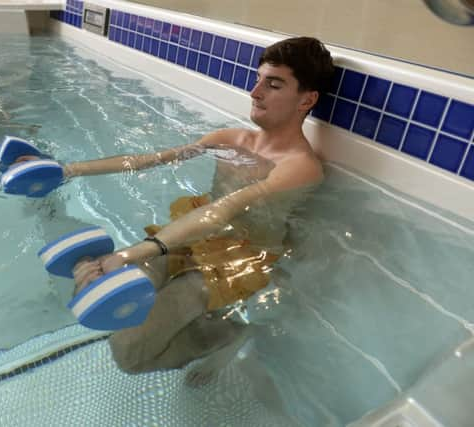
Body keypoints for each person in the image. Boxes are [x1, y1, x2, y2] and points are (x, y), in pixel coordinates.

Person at [19, 37, 335, 383]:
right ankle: (185, 313)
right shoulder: (228, 139)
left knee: (128, 353)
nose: (255, 91)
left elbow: (224, 210)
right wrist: (66, 169)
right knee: (96, 290)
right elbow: (143, 161)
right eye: (258, 79)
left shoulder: (299, 167)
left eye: (273, 85)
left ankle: (226, 335)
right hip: (191, 236)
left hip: (239, 260)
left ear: (307, 99)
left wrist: (131, 254)